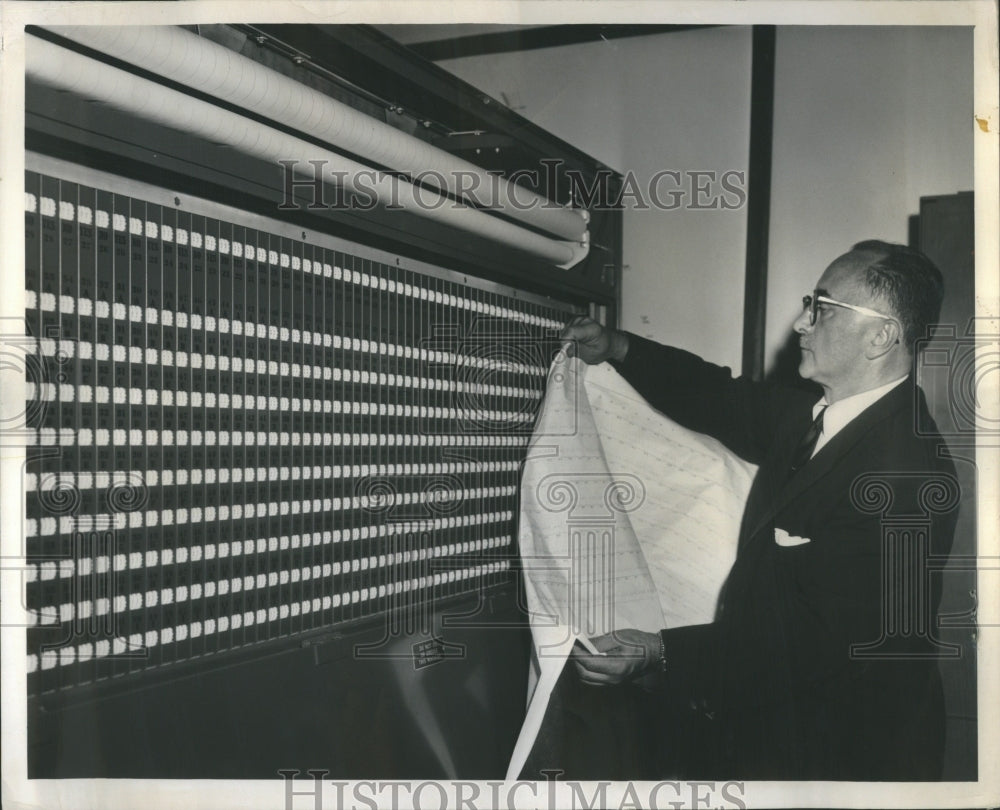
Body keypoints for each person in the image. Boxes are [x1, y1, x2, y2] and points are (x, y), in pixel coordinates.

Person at [561, 240, 958, 780]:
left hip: (847, 763)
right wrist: (617, 346)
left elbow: (812, 642)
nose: (800, 323)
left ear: (881, 335)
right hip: (787, 734)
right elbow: (719, 397)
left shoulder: (904, 476)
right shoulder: (815, 414)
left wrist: (658, 652)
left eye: (822, 307)